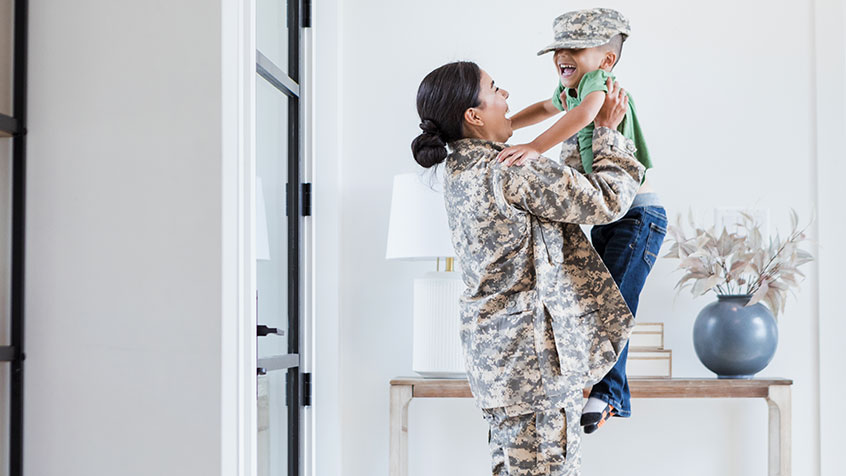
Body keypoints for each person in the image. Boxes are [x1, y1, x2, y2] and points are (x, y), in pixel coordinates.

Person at [411, 61, 642, 476]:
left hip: (498, 370)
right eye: (495, 89)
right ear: (474, 116)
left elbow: (555, 193)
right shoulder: (510, 171)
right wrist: (607, 132)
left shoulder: (458, 171)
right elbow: (605, 200)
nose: (506, 97)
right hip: (535, 374)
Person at [498, 8, 668, 433]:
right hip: (613, 218)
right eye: (558, 49)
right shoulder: (571, 87)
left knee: (613, 308)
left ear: (606, 60)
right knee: (601, 305)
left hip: (639, 216)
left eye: (574, 48)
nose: (562, 56)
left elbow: (584, 116)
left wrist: (535, 147)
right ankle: (605, 392)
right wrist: (505, 129)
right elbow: (544, 106)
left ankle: (607, 394)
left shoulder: (598, 87)